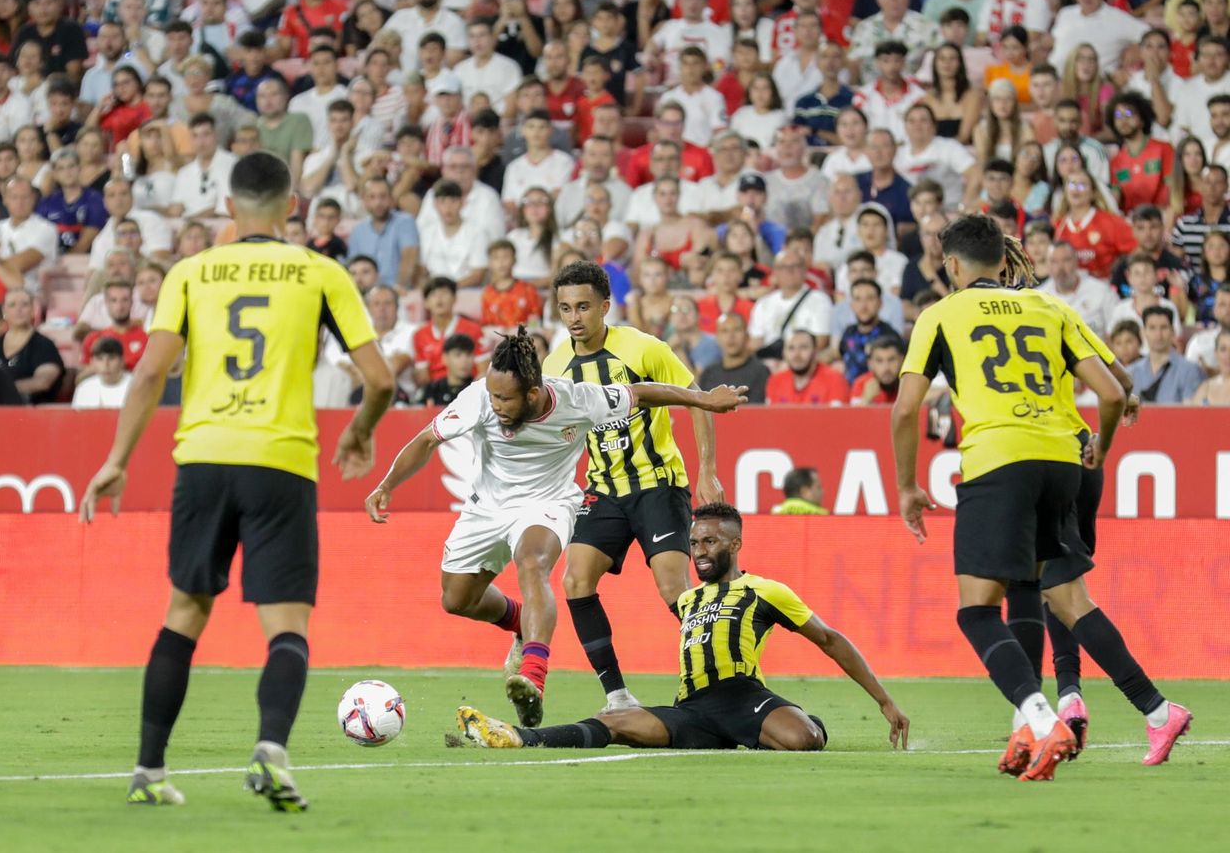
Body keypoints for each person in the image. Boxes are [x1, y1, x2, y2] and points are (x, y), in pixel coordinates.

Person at [79, 152, 394, 811]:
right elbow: (382, 380)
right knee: (287, 626)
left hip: (202, 459)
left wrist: (116, 459)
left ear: (229, 208)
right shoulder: (319, 272)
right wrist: (362, 429)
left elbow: (147, 375)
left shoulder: (190, 271)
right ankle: (271, 751)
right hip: (279, 462)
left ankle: (148, 771)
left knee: (184, 614)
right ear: (290, 207)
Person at [892, 214, 1190, 780]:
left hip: (999, 461)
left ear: (951, 265)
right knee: (1048, 592)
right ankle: (1150, 710)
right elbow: (1113, 384)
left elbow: (906, 409)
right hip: (1064, 462)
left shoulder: (940, 315)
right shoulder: (1049, 307)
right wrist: (1101, 440)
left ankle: (1039, 715)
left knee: (978, 609)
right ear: (1003, 260)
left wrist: (907, 486)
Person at [366, 327, 744, 728]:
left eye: (504, 398)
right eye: (493, 395)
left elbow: (645, 392)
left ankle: (532, 676)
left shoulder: (576, 399)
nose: (495, 405)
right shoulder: (478, 399)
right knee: (456, 599)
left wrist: (703, 399)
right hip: (487, 507)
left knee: (533, 563)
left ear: (533, 393)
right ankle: (517, 620)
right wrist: (387, 484)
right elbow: (427, 440)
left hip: (549, 503)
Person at [457, 502, 906, 753]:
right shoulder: (688, 600)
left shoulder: (765, 591)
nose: (699, 551)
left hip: (743, 697)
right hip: (692, 709)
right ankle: (516, 737)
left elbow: (830, 640)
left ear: (735, 543)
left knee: (805, 739)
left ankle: (801, 721)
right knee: (614, 722)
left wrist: (885, 702)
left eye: (710, 541)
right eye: (694, 543)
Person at [541, 261, 724, 710]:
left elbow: (696, 399)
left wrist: (707, 470)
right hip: (602, 488)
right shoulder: (556, 363)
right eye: (565, 308)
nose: (574, 318)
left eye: (583, 307)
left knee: (671, 588)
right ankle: (618, 696)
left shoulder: (643, 349)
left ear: (605, 306)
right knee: (576, 580)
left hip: (658, 484)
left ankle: (715, 682)